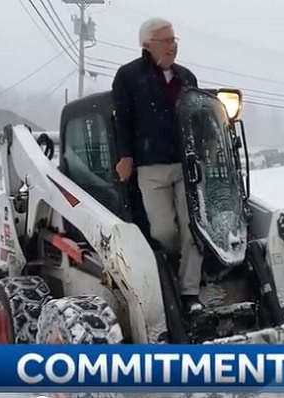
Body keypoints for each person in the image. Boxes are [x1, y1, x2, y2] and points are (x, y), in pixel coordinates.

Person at [111, 17, 205, 313]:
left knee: (195, 228)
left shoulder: (186, 77)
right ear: (147, 45)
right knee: (164, 230)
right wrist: (125, 156)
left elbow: (198, 118)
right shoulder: (128, 76)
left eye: (174, 40)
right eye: (166, 41)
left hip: (186, 166)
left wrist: (204, 148)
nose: (172, 46)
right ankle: (175, 265)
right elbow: (122, 121)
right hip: (150, 168)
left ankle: (189, 293)